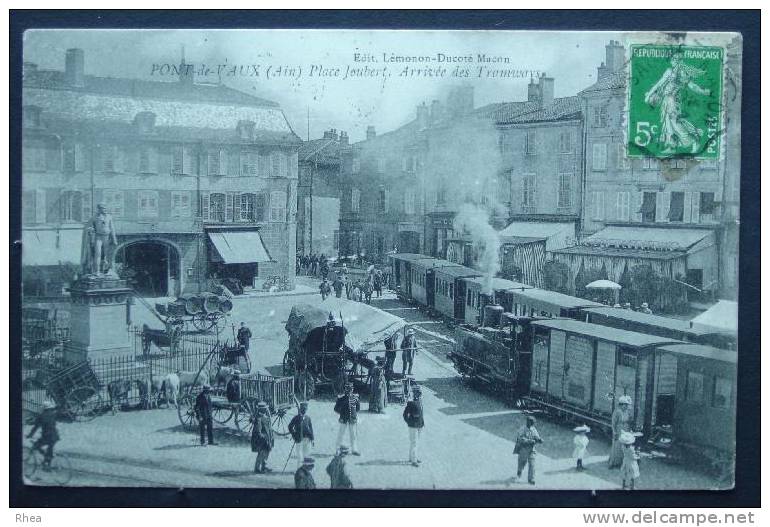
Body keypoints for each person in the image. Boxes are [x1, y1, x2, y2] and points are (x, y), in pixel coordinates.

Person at [26, 400, 59, 469]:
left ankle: (46, 462)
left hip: (47, 436)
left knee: (36, 445)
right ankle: (47, 464)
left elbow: (35, 427)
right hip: (55, 436)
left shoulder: (41, 416)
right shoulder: (53, 414)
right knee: (50, 448)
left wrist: (30, 435)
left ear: (43, 408)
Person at [513, 415, 542, 485]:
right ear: (527, 422)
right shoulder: (522, 429)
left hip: (532, 450)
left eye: (533, 423)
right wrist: (530, 441)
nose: (532, 424)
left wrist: (539, 439)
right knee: (522, 463)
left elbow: (536, 436)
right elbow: (521, 439)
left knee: (532, 464)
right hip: (523, 449)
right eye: (531, 422)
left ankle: (531, 479)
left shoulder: (533, 429)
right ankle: (519, 473)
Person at [334, 383, 361, 455]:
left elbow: (357, 408)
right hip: (344, 418)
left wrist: (353, 415)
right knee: (341, 434)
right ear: (345, 390)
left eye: (350, 389)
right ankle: (337, 449)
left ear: (352, 389)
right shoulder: (341, 398)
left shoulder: (355, 398)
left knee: (353, 434)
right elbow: (336, 409)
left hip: (352, 418)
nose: (349, 391)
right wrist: (342, 413)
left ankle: (354, 449)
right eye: (347, 389)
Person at [288, 401, 315, 471]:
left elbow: (311, 428)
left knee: (306, 455)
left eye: (305, 409)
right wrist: (294, 434)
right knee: (300, 456)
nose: (304, 411)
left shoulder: (308, 418)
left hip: (307, 439)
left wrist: (312, 439)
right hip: (299, 439)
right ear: (300, 409)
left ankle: (305, 469)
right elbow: (290, 426)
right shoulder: (296, 418)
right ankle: (299, 470)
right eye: (303, 409)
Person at [608, 395, 633, 468]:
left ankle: (620, 463)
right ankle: (612, 463)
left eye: (627, 405)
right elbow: (613, 423)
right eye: (625, 405)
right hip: (619, 430)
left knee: (623, 447)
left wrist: (630, 429)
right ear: (621, 405)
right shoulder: (617, 412)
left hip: (626, 430)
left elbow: (629, 422)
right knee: (616, 446)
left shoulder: (627, 412)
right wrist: (614, 432)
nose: (626, 406)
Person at [403, 385, 425, 467]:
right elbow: (405, 414)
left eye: (420, 393)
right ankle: (414, 460)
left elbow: (422, 413)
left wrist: (422, 423)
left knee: (415, 443)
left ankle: (412, 458)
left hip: (419, 425)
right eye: (418, 393)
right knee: (414, 443)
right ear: (415, 393)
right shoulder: (411, 402)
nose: (420, 394)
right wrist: (409, 422)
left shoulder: (420, 401)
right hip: (413, 426)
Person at [251, 402, 274, 473]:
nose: (266, 410)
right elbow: (258, 431)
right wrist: (264, 438)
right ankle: (257, 468)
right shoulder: (259, 419)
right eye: (265, 409)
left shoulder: (265, 417)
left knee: (266, 452)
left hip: (267, 438)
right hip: (262, 440)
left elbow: (269, 428)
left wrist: (271, 437)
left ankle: (264, 467)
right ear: (262, 410)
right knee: (261, 453)